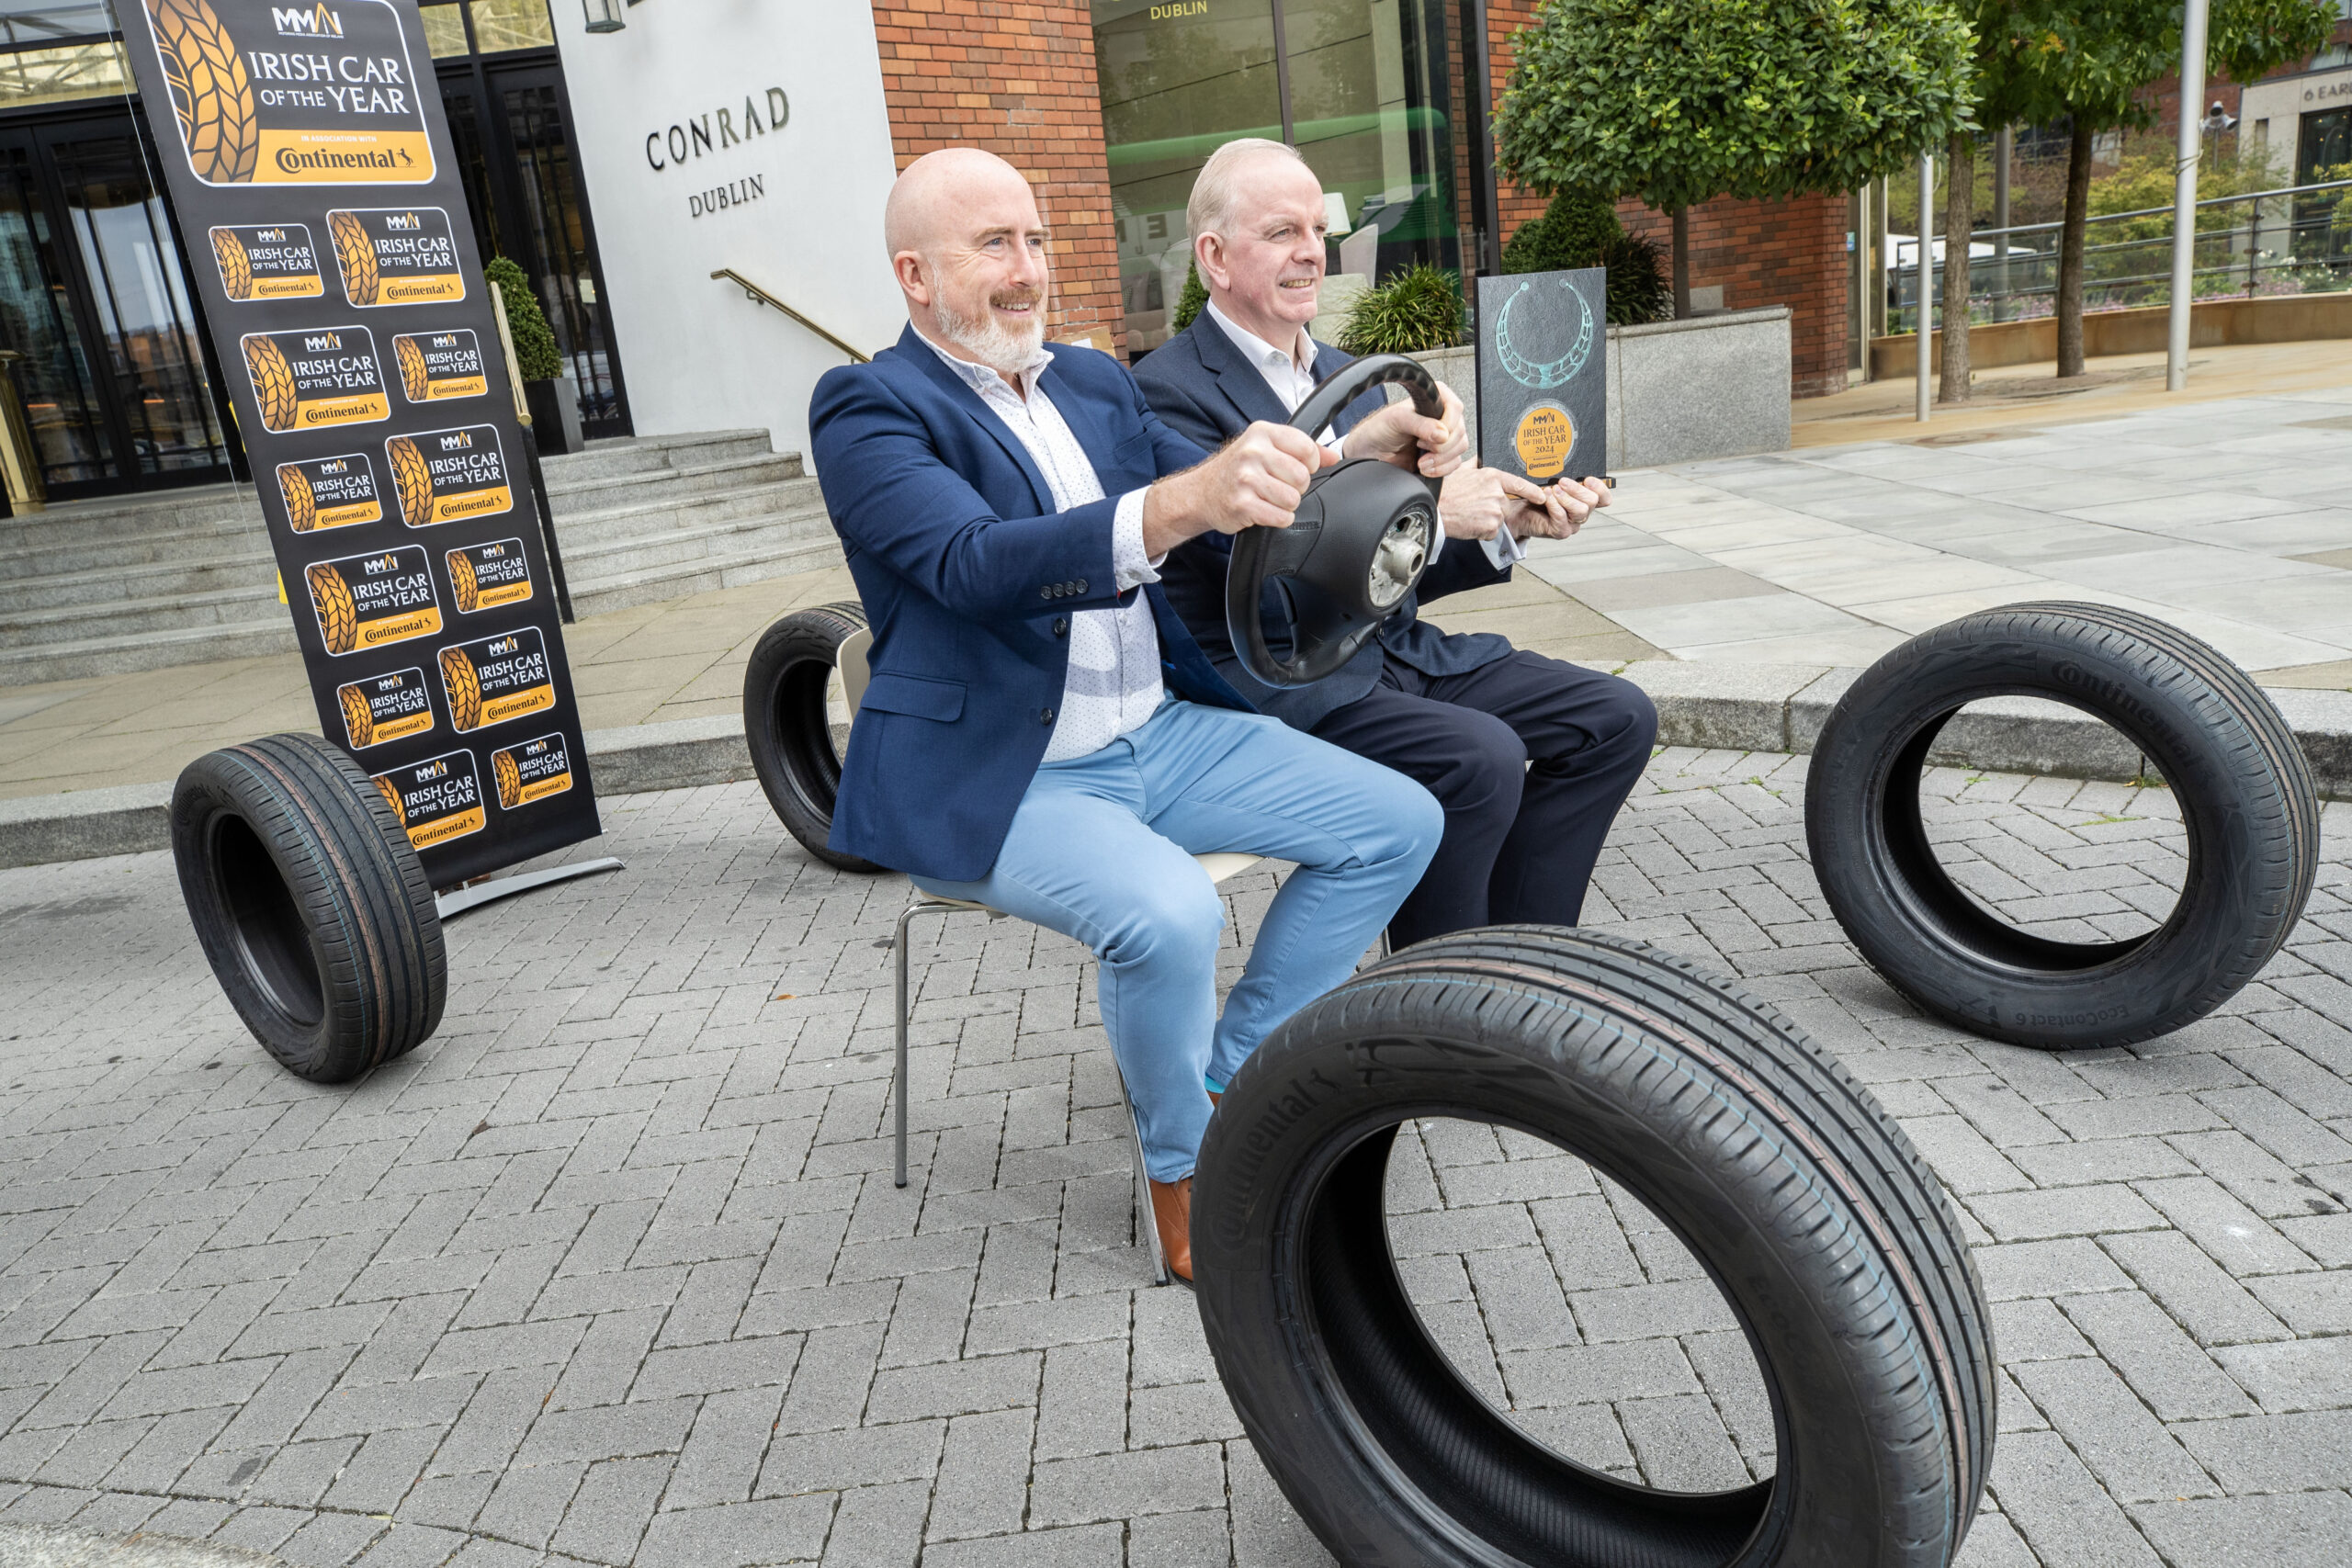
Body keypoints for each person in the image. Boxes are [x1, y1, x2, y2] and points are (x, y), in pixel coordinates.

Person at [808, 148, 1444, 1281]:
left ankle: (1227, 1074)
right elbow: (969, 565)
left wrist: (1351, 451)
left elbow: (1222, 485)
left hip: (1159, 730)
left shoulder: (1095, 383)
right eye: (992, 244)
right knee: (1168, 918)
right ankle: (1186, 1172)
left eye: (1036, 239)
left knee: (1397, 822)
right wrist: (1179, 505)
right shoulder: (866, 406)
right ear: (914, 274)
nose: (1027, 269)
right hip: (1011, 769)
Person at [1135, 139, 1657, 948]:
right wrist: (1444, 508)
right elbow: (1264, 582)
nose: (1312, 250)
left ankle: (1524, 966)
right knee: (1478, 758)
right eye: (1281, 232)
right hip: (1274, 678)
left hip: (1389, 655)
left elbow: (1392, 571)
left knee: (1615, 716)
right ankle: (1434, 1007)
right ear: (1214, 256)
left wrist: (1506, 524)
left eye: (1319, 228)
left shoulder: (1351, 375)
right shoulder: (1162, 393)